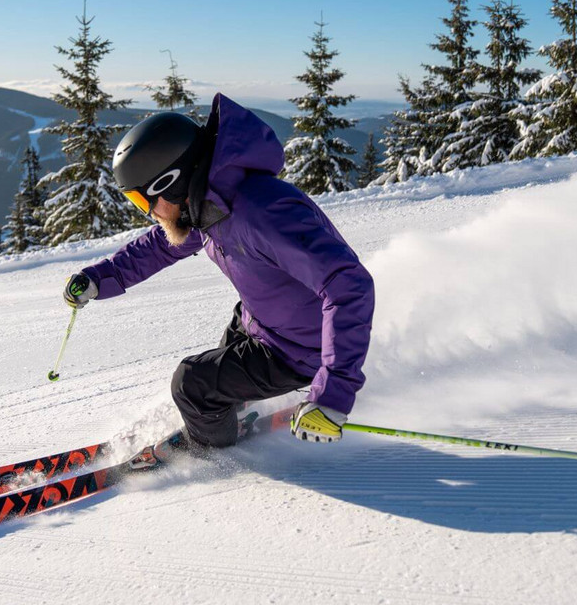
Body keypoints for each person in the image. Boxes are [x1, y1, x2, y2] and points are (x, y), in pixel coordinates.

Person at [62, 93, 374, 447]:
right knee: (220, 365)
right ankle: (225, 416)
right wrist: (99, 279)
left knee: (192, 383)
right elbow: (159, 246)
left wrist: (332, 396)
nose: (148, 212)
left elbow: (349, 284)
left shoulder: (263, 212)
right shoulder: (211, 203)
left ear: (171, 181)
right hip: (262, 323)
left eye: (142, 199)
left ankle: (212, 454)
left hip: (299, 350)